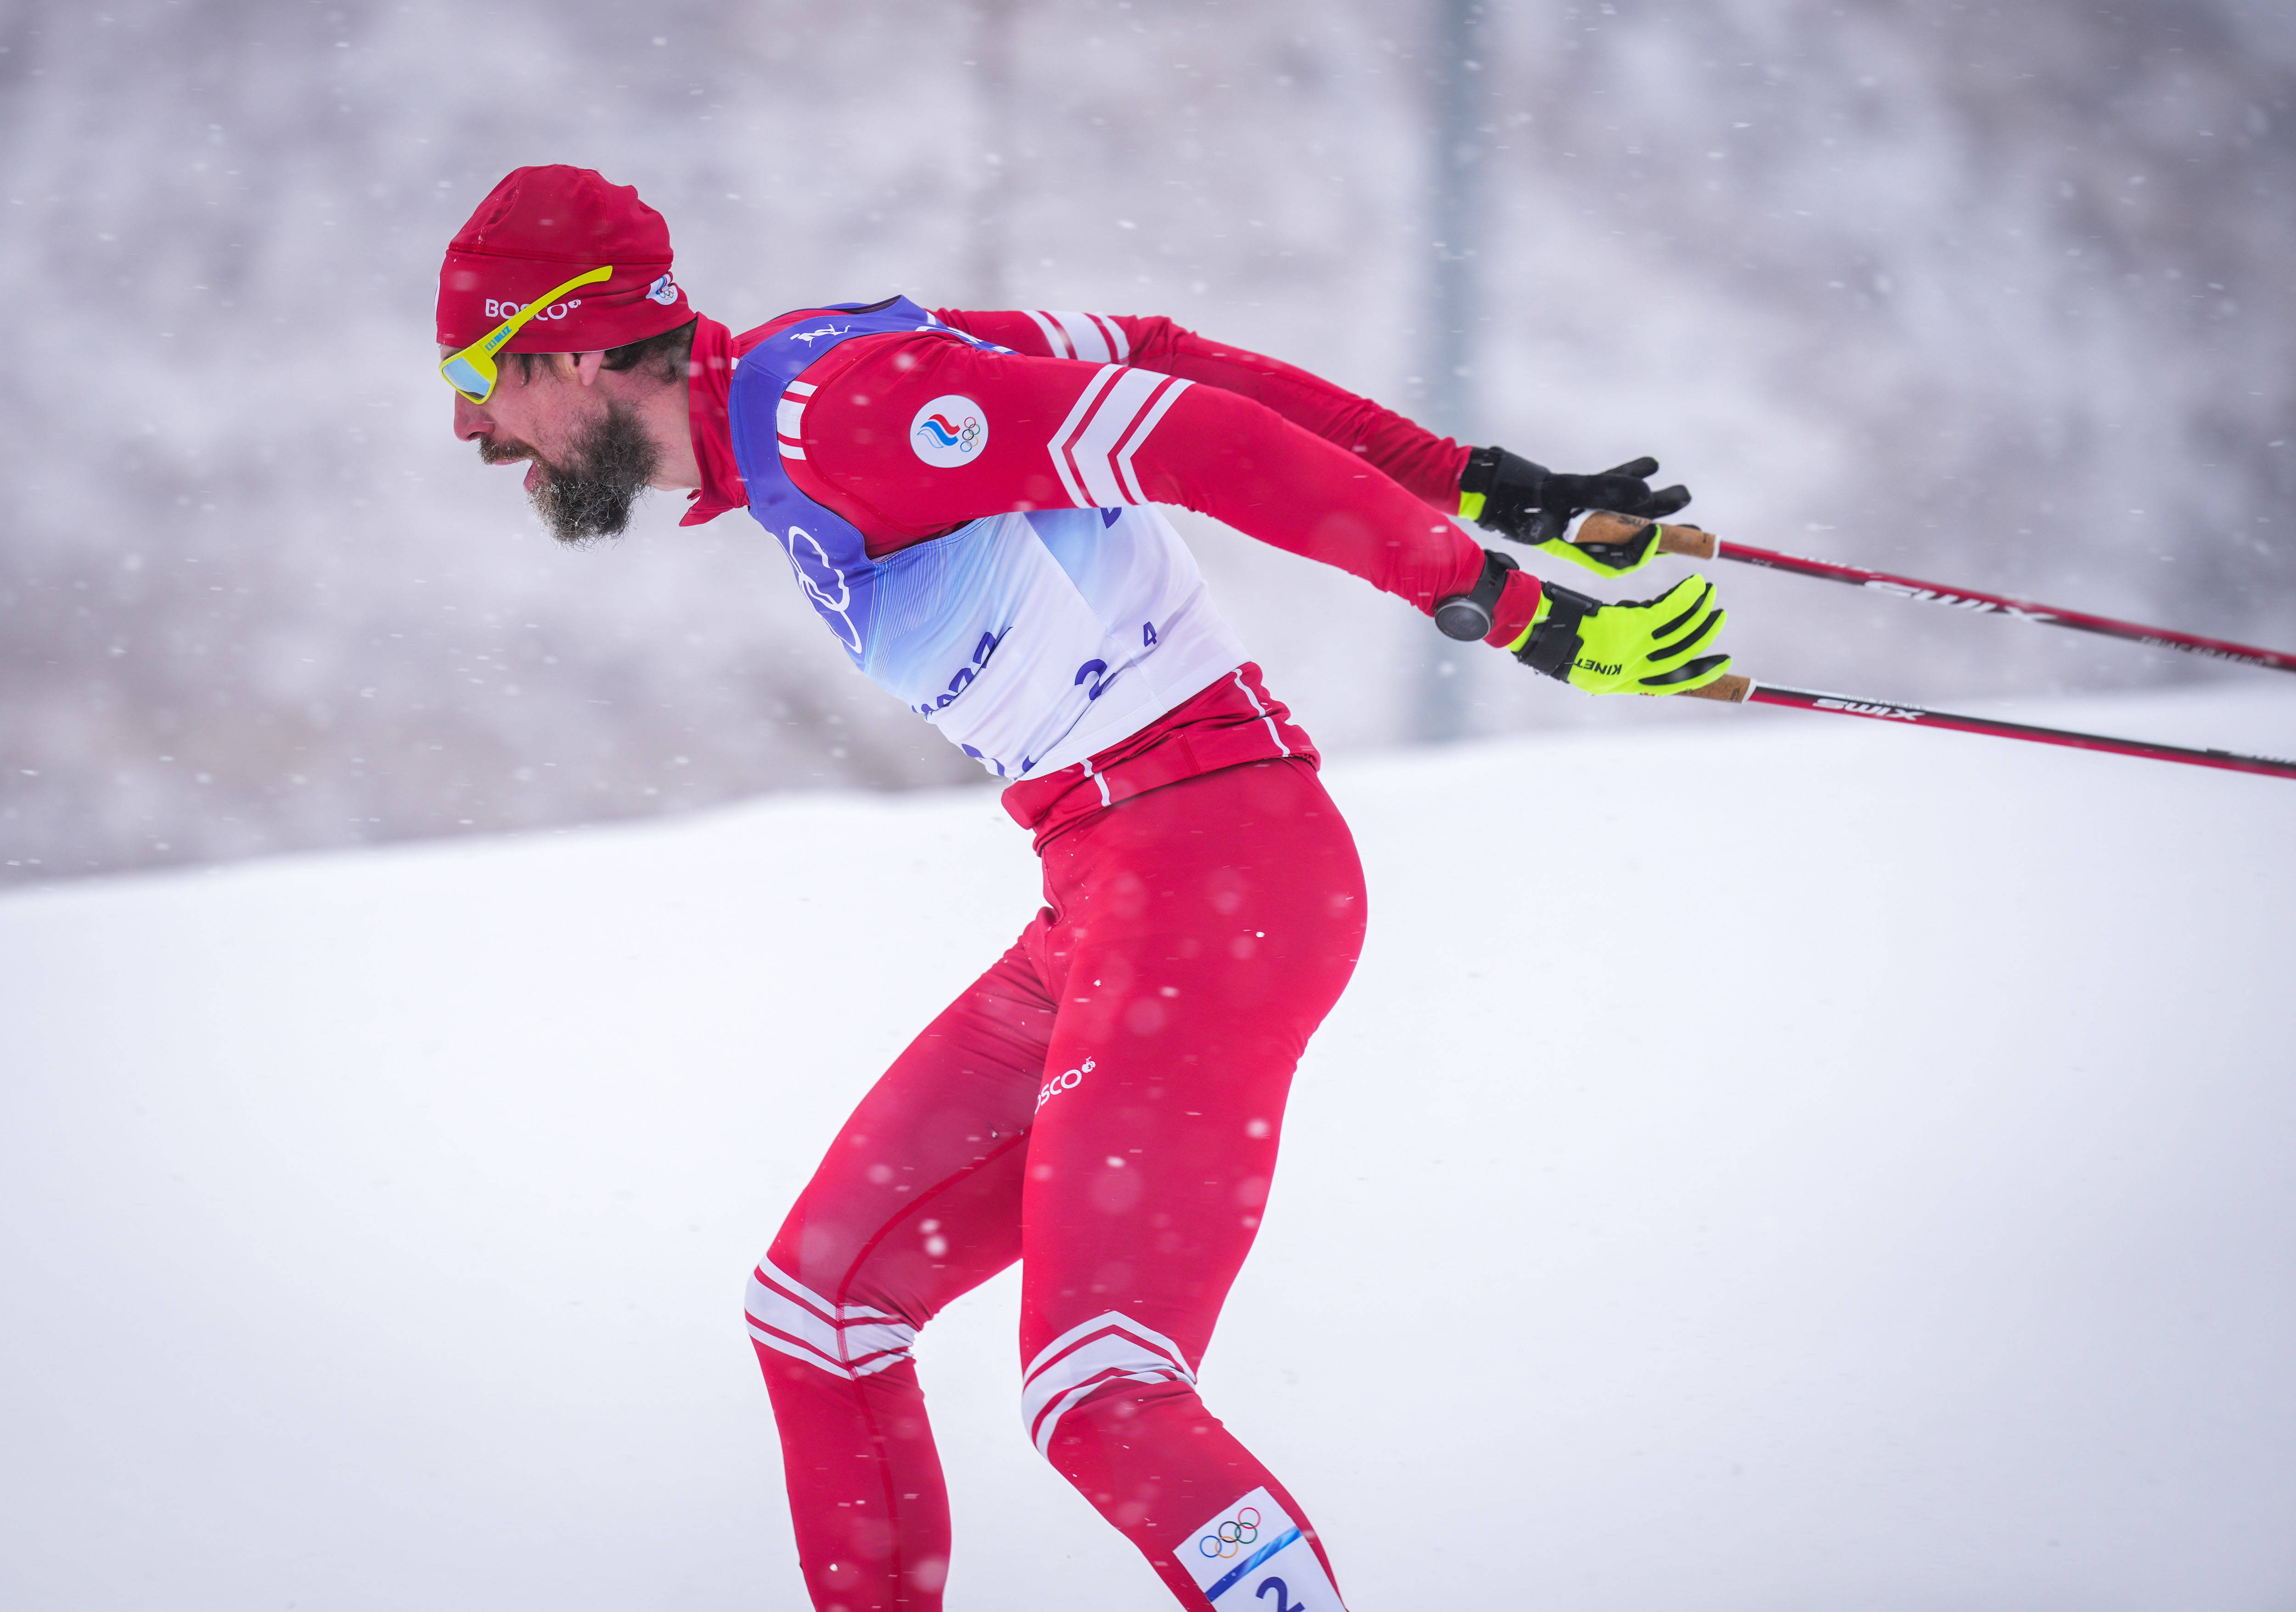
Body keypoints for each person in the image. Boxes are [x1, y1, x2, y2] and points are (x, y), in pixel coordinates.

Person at [435, 165, 1730, 1612]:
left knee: (1102, 1393)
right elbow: (1154, 356)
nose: (473, 429)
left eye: (479, 376)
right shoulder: (795, 398)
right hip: (1112, 891)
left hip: (1210, 876)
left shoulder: (835, 411)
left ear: (578, 344)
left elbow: (1190, 436)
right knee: (821, 1312)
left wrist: (1508, 605)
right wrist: (1480, 480)